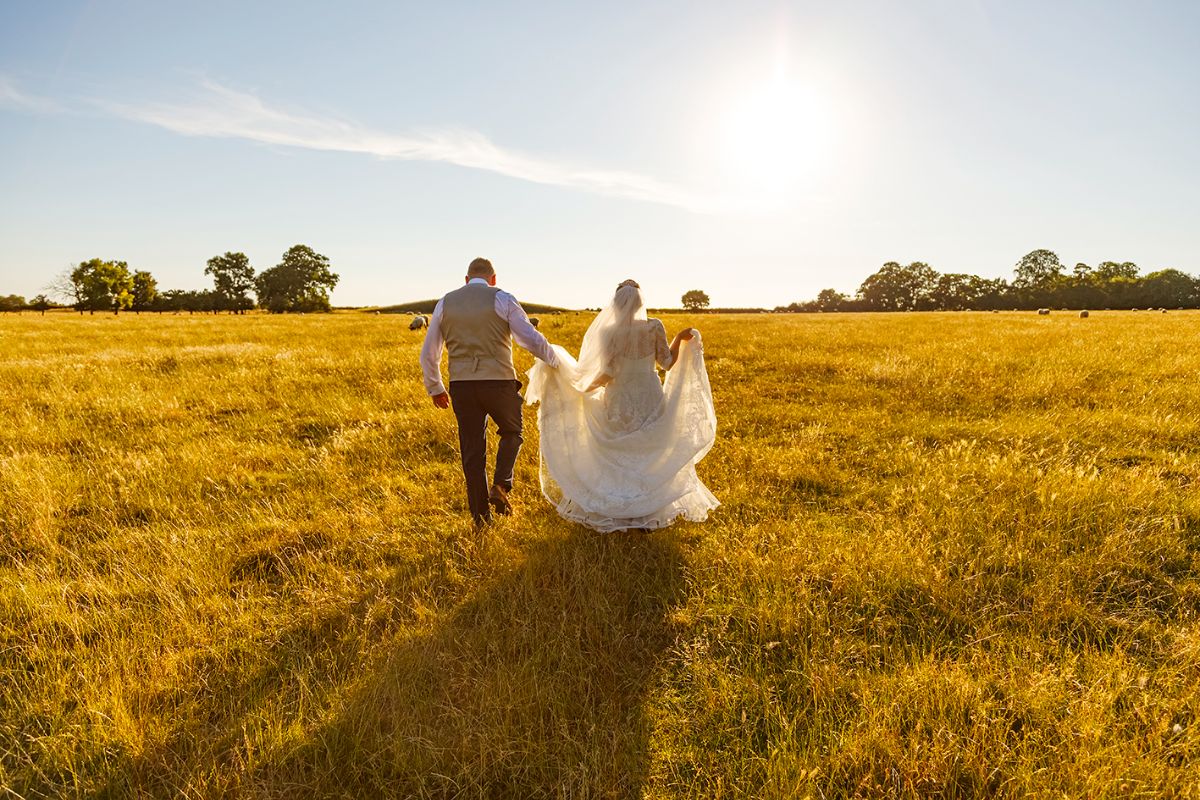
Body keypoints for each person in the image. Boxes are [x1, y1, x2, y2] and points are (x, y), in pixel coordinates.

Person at [525, 279, 718, 532]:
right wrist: (680, 339)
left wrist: (583, 388)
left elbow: (607, 373)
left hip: (620, 399)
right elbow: (667, 363)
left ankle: (623, 505)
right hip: (650, 394)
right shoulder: (654, 327)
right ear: (641, 302)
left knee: (620, 452)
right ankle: (648, 506)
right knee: (648, 450)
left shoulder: (609, 332)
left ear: (615, 304)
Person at [420, 257, 558, 526]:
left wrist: (435, 387)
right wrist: (554, 360)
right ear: (493, 279)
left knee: (472, 452)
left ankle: (481, 519)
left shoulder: (445, 303)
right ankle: (502, 485)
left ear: (466, 280)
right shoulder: (503, 298)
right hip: (499, 382)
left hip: (461, 386)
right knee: (512, 431)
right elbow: (528, 338)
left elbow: (429, 352)